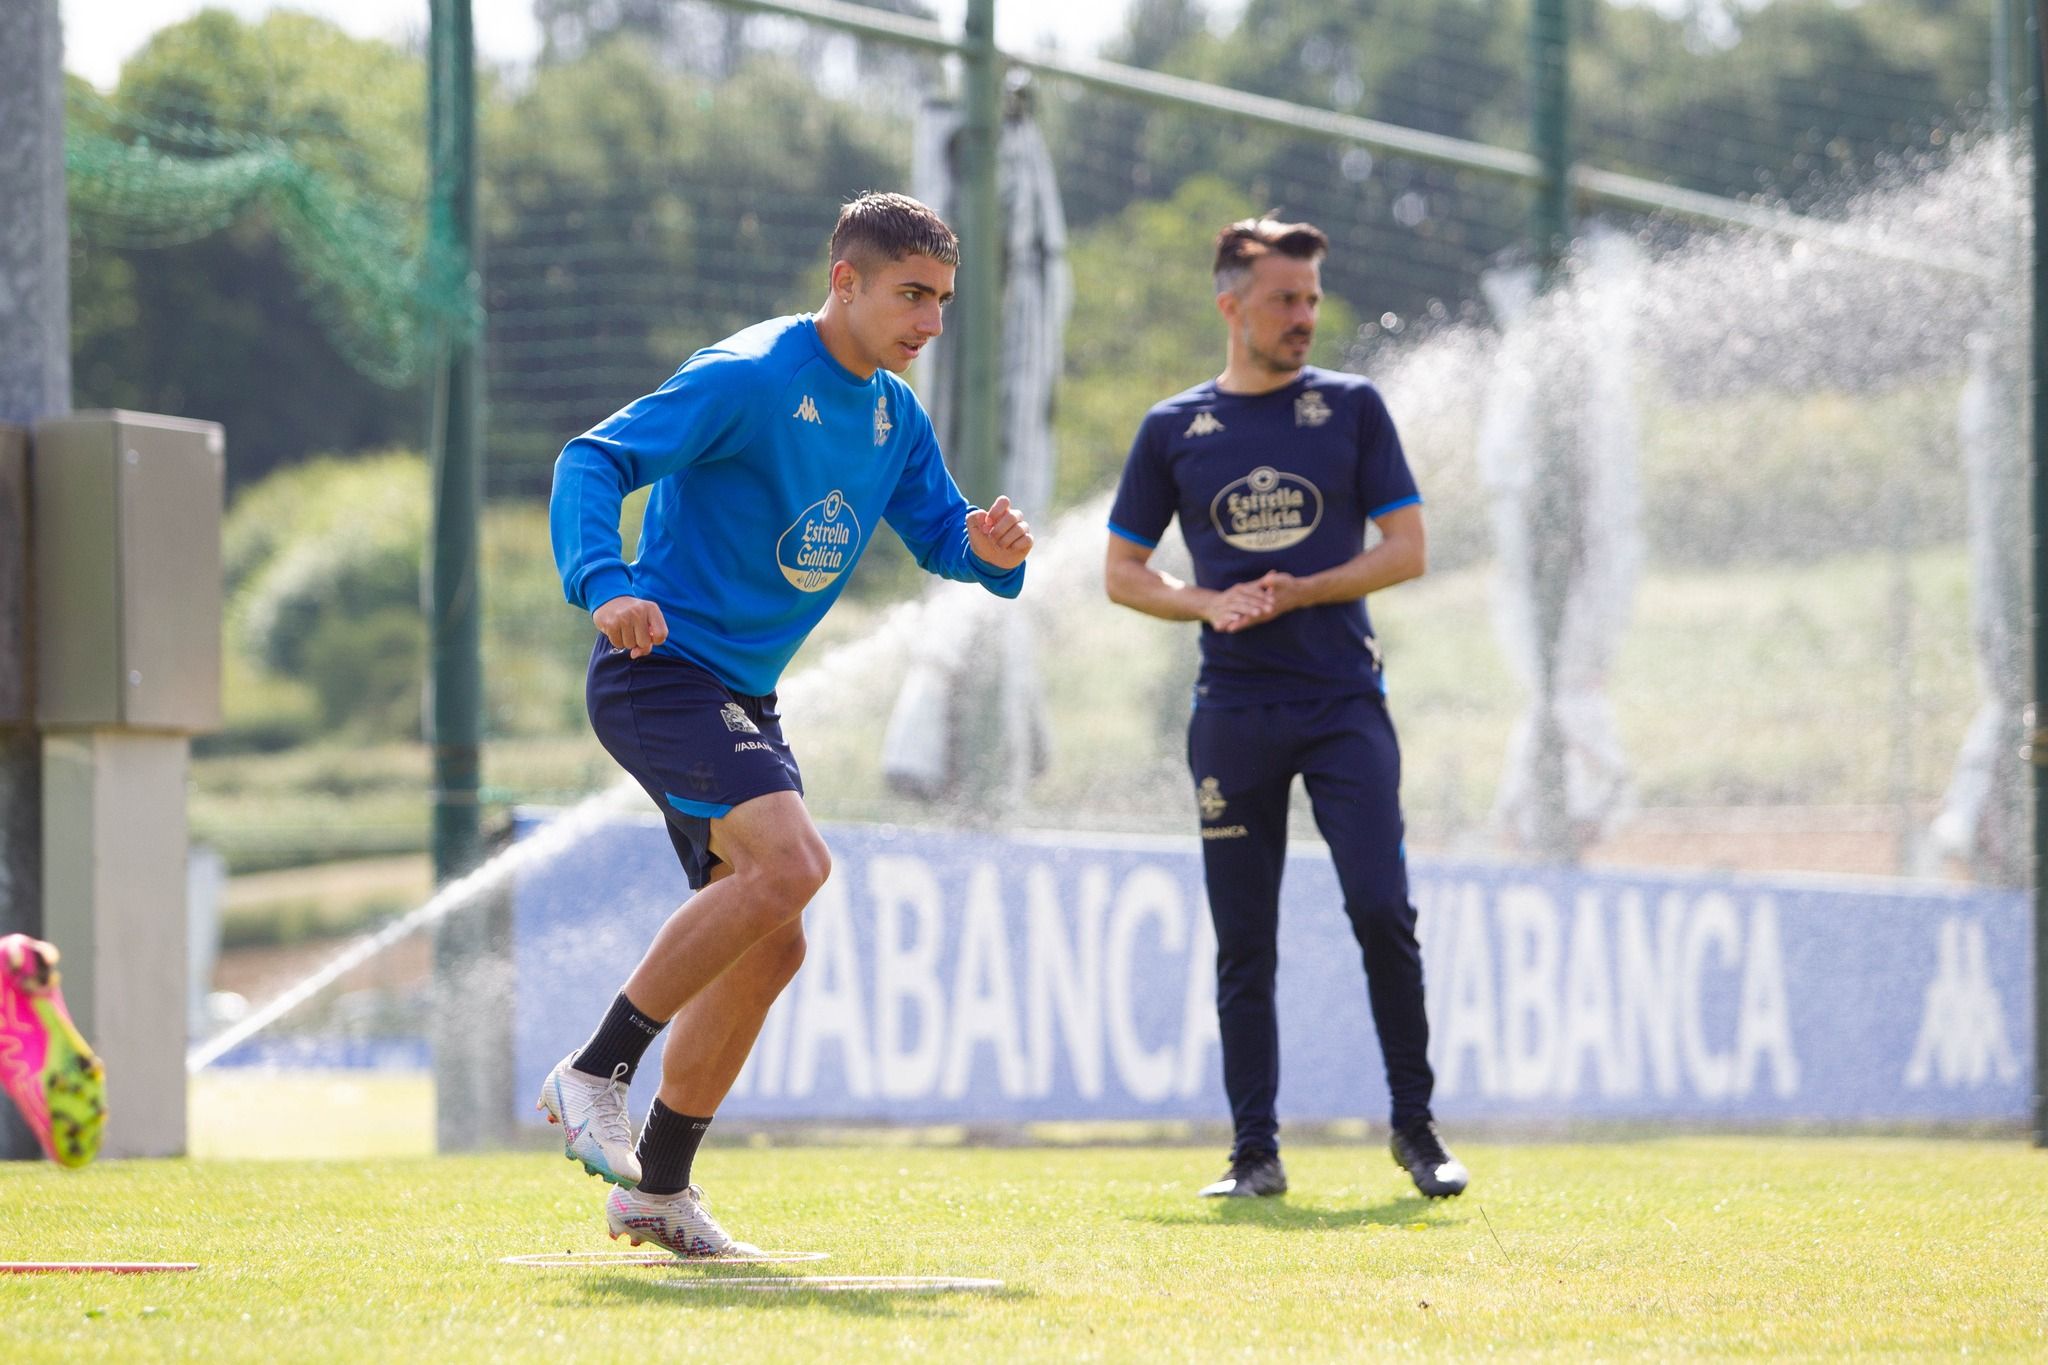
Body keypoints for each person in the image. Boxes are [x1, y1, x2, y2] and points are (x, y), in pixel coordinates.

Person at [544, 192, 1034, 1256]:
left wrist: (990, 548)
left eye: (942, 301)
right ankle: (597, 1068)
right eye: (912, 295)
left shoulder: (891, 414)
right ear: (844, 281)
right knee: (793, 864)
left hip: (739, 696)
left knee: (773, 943)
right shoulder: (747, 375)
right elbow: (591, 459)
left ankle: (656, 1190)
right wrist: (604, 581)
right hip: (655, 670)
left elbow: (941, 535)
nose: (929, 322)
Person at [1102, 215, 1467, 1201]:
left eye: (1310, 299)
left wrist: (1300, 590)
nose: (1304, 317)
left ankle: (1415, 1131)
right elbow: (1122, 574)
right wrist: (1205, 601)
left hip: (1343, 702)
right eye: (1284, 300)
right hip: (1232, 712)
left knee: (1380, 909)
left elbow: (1406, 550)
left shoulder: (1351, 409)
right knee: (1243, 937)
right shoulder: (1173, 428)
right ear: (1231, 305)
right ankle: (1252, 1153)